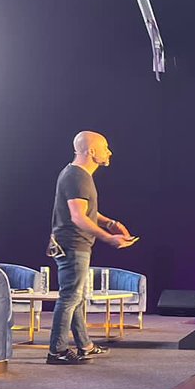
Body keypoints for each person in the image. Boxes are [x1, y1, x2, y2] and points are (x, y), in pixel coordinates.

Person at [46, 131, 137, 365]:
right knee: (70, 298)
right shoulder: (77, 176)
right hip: (73, 244)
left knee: (76, 297)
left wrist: (111, 223)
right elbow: (78, 217)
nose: (109, 152)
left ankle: (84, 345)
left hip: (73, 243)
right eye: (105, 147)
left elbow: (86, 211)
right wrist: (109, 238)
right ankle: (57, 351)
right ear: (91, 151)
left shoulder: (77, 174)